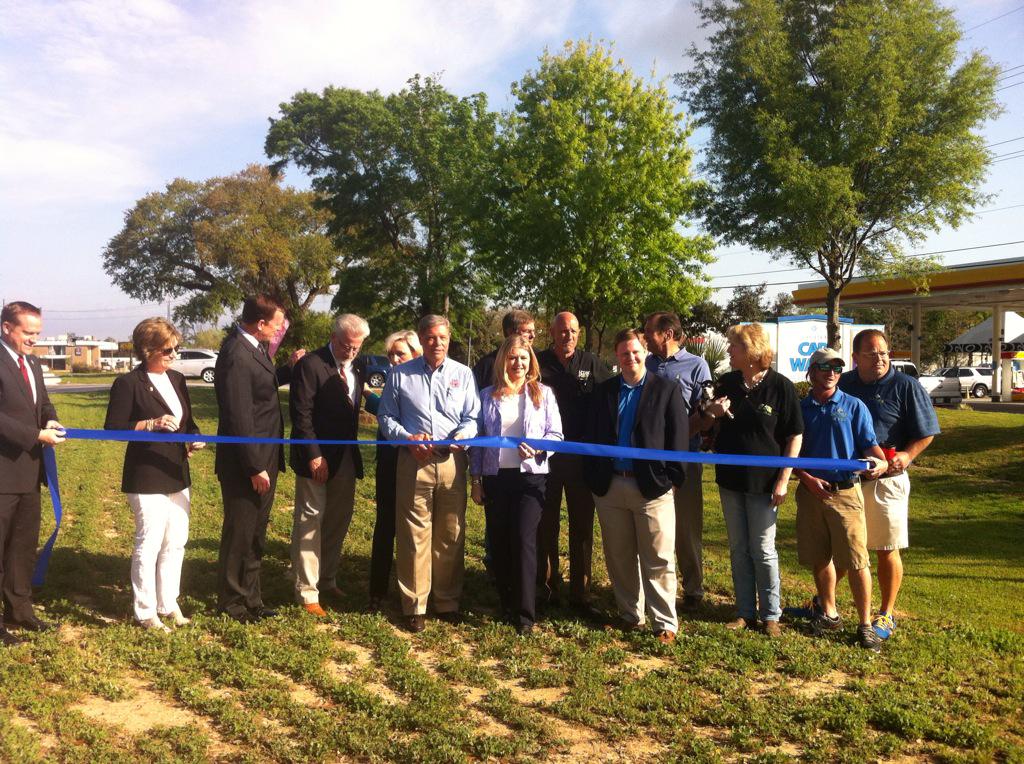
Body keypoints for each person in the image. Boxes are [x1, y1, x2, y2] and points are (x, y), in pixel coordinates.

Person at [584, 329, 688, 644]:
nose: (630, 358)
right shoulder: (604, 392)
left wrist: (672, 480)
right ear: (616, 357)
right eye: (624, 354)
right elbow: (592, 437)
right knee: (619, 555)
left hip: (653, 489)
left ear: (645, 352)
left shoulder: (667, 390)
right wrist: (595, 477)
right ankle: (630, 616)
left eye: (635, 352)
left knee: (658, 557)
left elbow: (678, 439)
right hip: (611, 487)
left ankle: (664, 623)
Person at [699, 324, 803, 637]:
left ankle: (771, 615)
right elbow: (706, 418)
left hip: (766, 485)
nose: (729, 351)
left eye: (734, 346)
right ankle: (745, 612)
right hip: (730, 480)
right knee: (738, 548)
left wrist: (784, 479)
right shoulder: (728, 382)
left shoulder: (781, 387)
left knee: (763, 549)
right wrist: (712, 411)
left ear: (752, 350)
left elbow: (794, 435)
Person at [378, 315, 479, 632]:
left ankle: (447, 601)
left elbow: (472, 417)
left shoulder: (463, 375)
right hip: (414, 462)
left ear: (450, 339)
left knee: (450, 534)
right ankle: (415, 605)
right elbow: (386, 417)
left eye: (443, 337)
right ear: (421, 339)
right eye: (431, 337)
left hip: (451, 463)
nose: (437, 343)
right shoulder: (399, 375)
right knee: (413, 536)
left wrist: (461, 437)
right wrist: (407, 439)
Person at [838, 329, 939, 640]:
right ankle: (824, 604)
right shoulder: (844, 384)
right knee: (844, 546)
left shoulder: (905, 386)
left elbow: (927, 432)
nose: (880, 358)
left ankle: (886, 614)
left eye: (883, 352)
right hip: (848, 479)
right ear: (855, 358)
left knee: (886, 549)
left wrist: (907, 456)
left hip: (887, 482)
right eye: (871, 353)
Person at [104, 318, 203, 631]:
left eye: (177, 349)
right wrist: (150, 423)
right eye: (167, 350)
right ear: (147, 351)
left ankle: (168, 602)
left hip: (177, 471)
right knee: (149, 542)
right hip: (146, 474)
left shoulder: (176, 379)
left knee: (176, 541)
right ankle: (145, 612)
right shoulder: (128, 383)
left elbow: (188, 422)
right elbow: (113, 430)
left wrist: (194, 437)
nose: (174, 355)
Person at [793, 347, 887, 651]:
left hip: (845, 493)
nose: (832, 371)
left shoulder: (854, 406)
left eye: (837, 366)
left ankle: (864, 624)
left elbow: (874, 452)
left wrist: (879, 465)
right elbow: (791, 456)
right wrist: (807, 479)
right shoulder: (800, 409)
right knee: (819, 557)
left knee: (857, 560)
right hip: (809, 494)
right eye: (824, 366)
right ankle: (830, 612)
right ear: (811, 371)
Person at [470, 336, 563, 634]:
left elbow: (556, 435)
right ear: (502, 361)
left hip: (530, 478)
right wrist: (476, 480)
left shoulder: (543, 394)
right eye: (512, 358)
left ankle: (525, 615)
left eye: (523, 358)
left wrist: (538, 449)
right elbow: (477, 442)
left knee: (524, 540)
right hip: (496, 478)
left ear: (531, 362)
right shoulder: (486, 396)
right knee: (499, 542)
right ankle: (506, 604)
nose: (518, 363)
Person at [214, 295, 289, 623]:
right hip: (247, 463)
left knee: (257, 532)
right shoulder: (236, 354)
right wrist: (254, 466)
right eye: (276, 325)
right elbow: (239, 416)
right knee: (240, 533)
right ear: (260, 324)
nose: (278, 331)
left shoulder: (254, 349)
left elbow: (262, 392)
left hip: (266, 457)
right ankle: (231, 603)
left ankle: (252, 598)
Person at [288, 314, 370, 617]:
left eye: (357, 348)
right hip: (317, 457)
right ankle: (307, 590)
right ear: (333, 337)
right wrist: (313, 454)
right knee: (311, 520)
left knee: (339, 518)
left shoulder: (358, 367)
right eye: (347, 346)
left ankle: (327, 578)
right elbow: (302, 414)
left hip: (346, 456)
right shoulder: (310, 365)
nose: (351, 352)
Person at [536, 311, 611, 617]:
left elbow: (610, 398)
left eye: (574, 331)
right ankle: (546, 587)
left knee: (581, 528)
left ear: (579, 334)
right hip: (546, 457)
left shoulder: (592, 364)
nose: (568, 336)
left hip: (582, 460)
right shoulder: (537, 362)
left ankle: (580, 594)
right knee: (545, 525)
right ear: (552, 333)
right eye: (563, 331)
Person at [0, 301, 65, 646]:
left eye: (37, 333)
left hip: (29, 472)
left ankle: (19, 609)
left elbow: (42, 404)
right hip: (2, 471)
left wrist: (49, 420)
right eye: (28, 333)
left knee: (23, 547)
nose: (34, 339)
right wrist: (34, 436)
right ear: (7, 327)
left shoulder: (34, 363)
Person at [644, 311, 713, 614]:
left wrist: (682, 432)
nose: (646, 338)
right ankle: (653, 587)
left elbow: (708, 414)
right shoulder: (645, 364)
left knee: (686, 526)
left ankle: (693, 588)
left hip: (685, 457)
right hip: (648, 459)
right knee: (651, 528)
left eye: (650, 333)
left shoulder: (697, 366)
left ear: (668, 334)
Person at [366, 330, 422, 611]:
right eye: (391, 354)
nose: (394, 359)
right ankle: (377, 589)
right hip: (389, 459)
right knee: (385, 523)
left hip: (417, 460)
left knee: (415, 528)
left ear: (416, 354)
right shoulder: (391, 380)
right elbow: (384, 414)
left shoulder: (423, 381)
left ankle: (416, 589)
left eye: (401, 353)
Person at [471, 309, 537, 392]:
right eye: (527, 331)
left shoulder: (541, 359)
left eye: (533, 331)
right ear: (510, 332)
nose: (533, 336)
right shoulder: (487, 365)